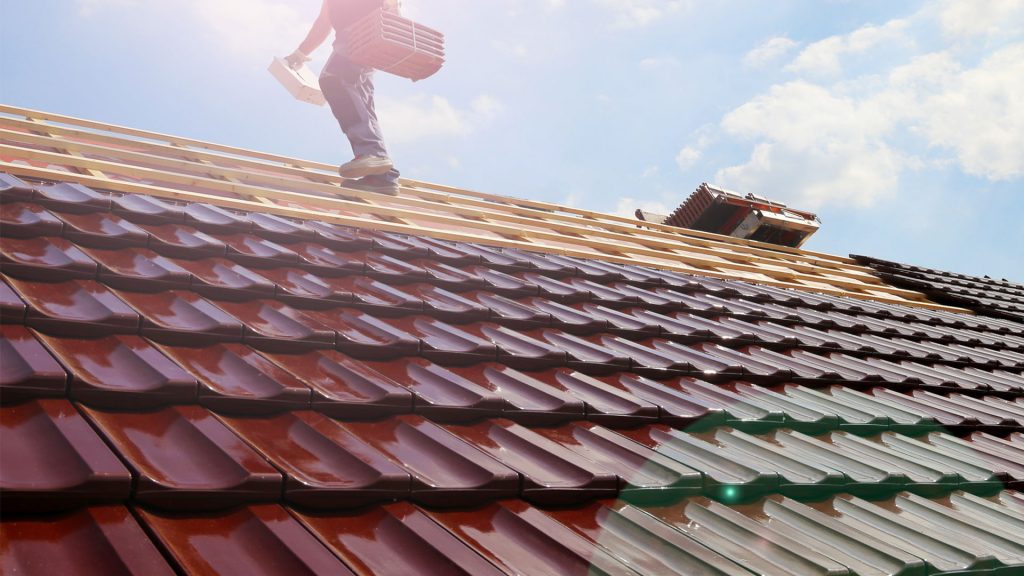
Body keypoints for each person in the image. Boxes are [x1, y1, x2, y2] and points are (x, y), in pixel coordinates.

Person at [286, 0, 401, 196]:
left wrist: (391, 12)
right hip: (359, 43)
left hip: (363, 37)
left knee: (334, 79)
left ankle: (372, 153)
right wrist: (300, 53)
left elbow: (392, 7)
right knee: (362, 104)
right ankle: (382, 177)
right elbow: (324, 22)